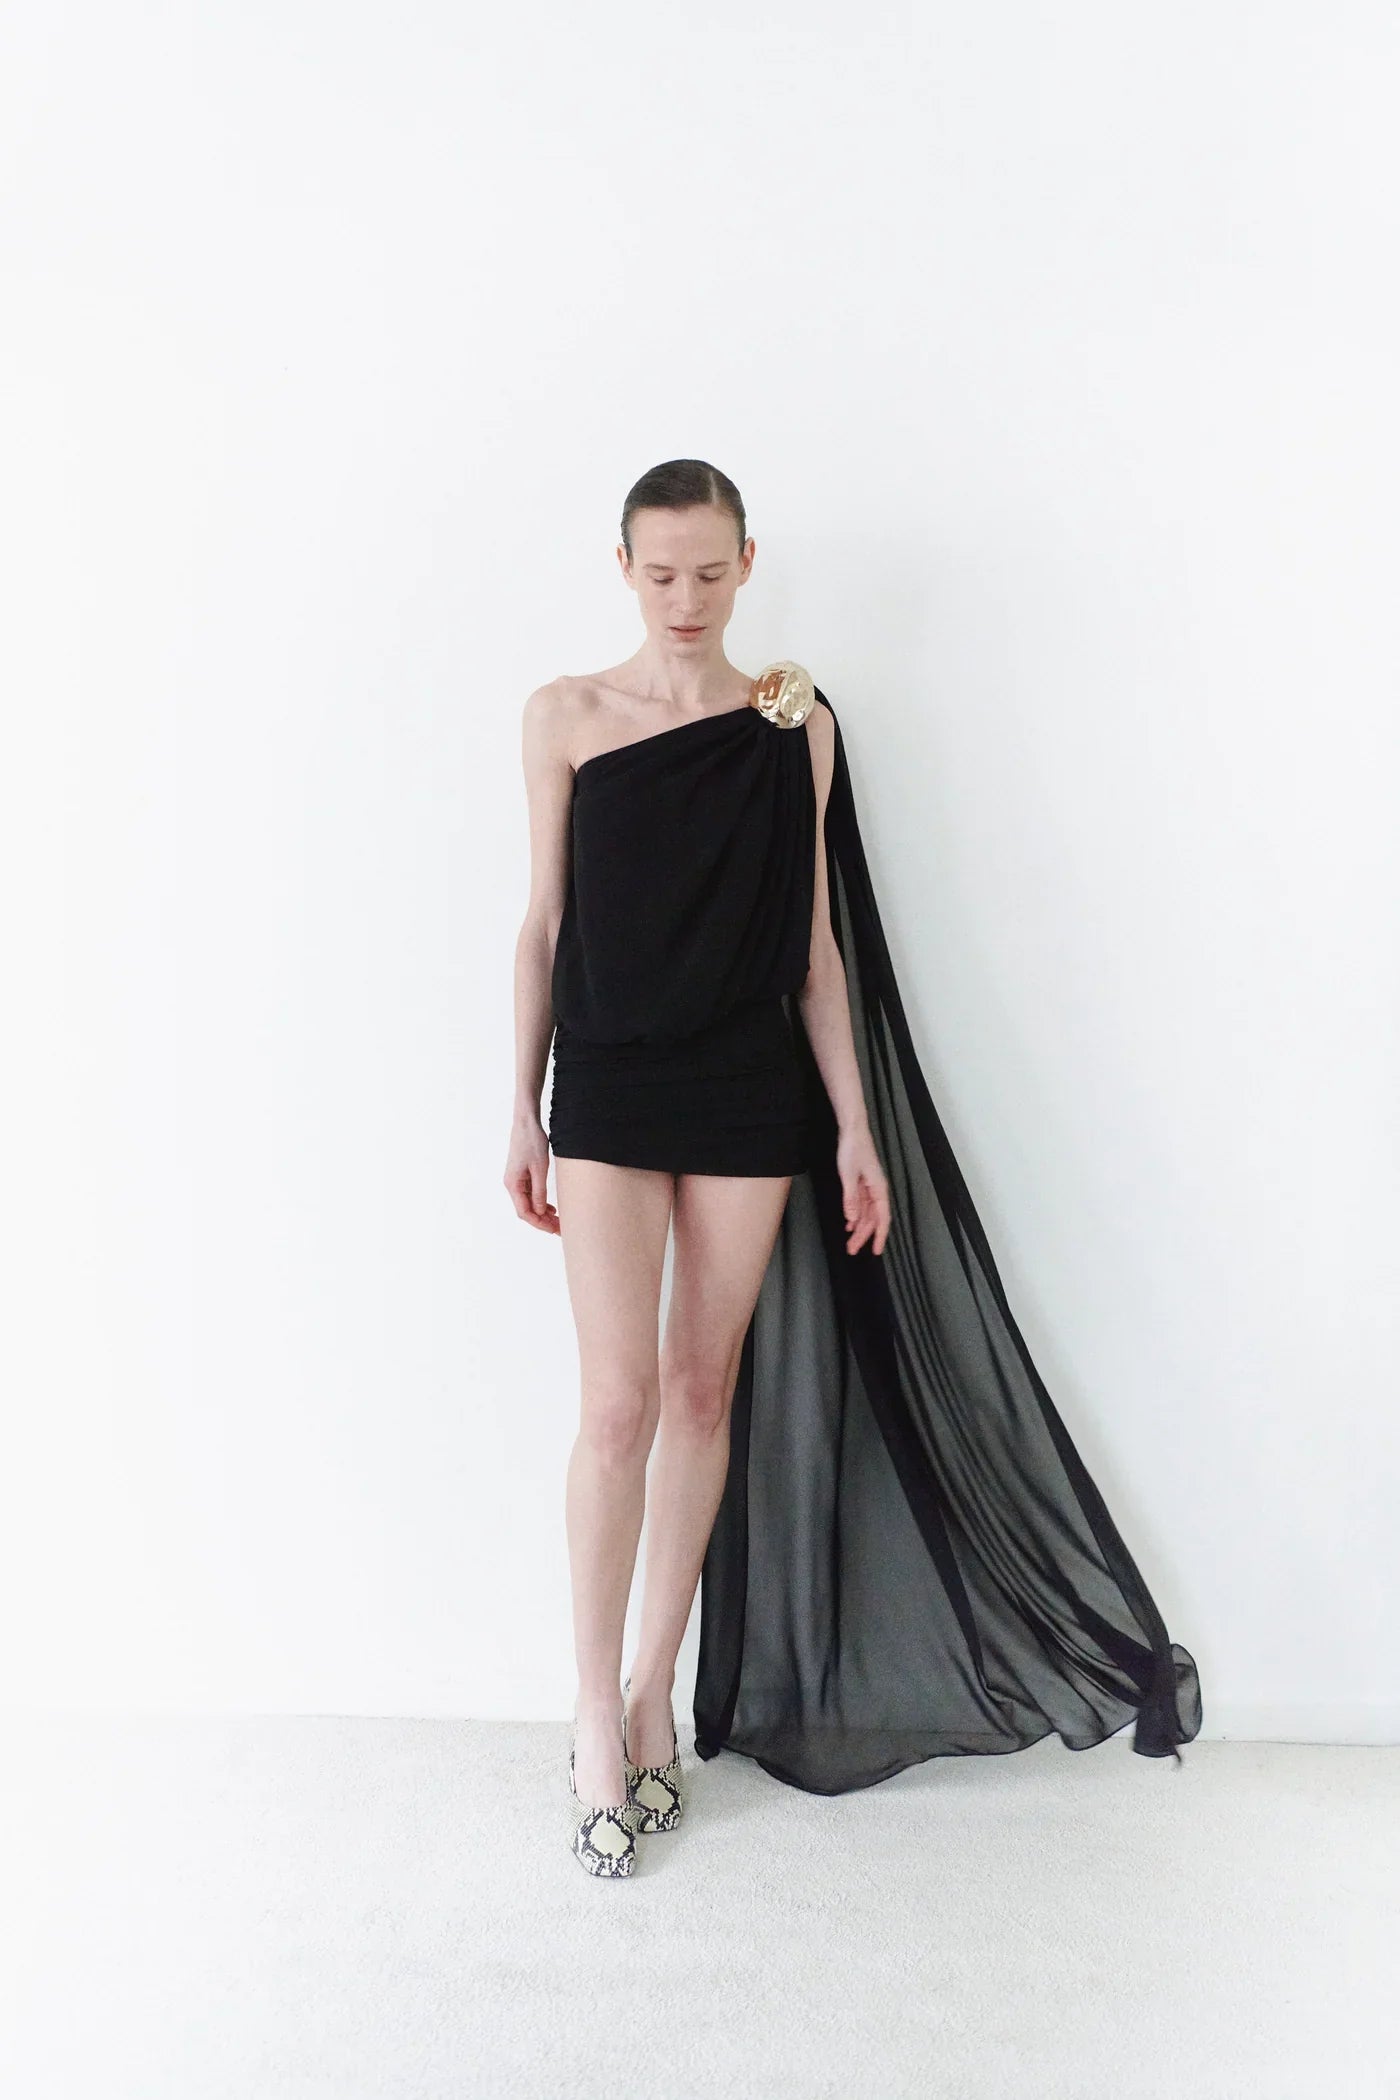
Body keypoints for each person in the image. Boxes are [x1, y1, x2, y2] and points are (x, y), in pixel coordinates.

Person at [506, 459, 1201, 1881]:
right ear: (623, 568)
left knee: (703, 1390)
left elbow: (818, 949)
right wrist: (521, 1104)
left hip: (747, 1087)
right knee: (619, 1403)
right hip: (614, 1082)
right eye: (661, 573)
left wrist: (855, 1128)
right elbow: (543, 922)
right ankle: (586, 1708)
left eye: (711, 572)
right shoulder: (564, 715)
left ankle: (650, 1691)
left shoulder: (795, 725)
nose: (686, 599)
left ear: (749, 564)